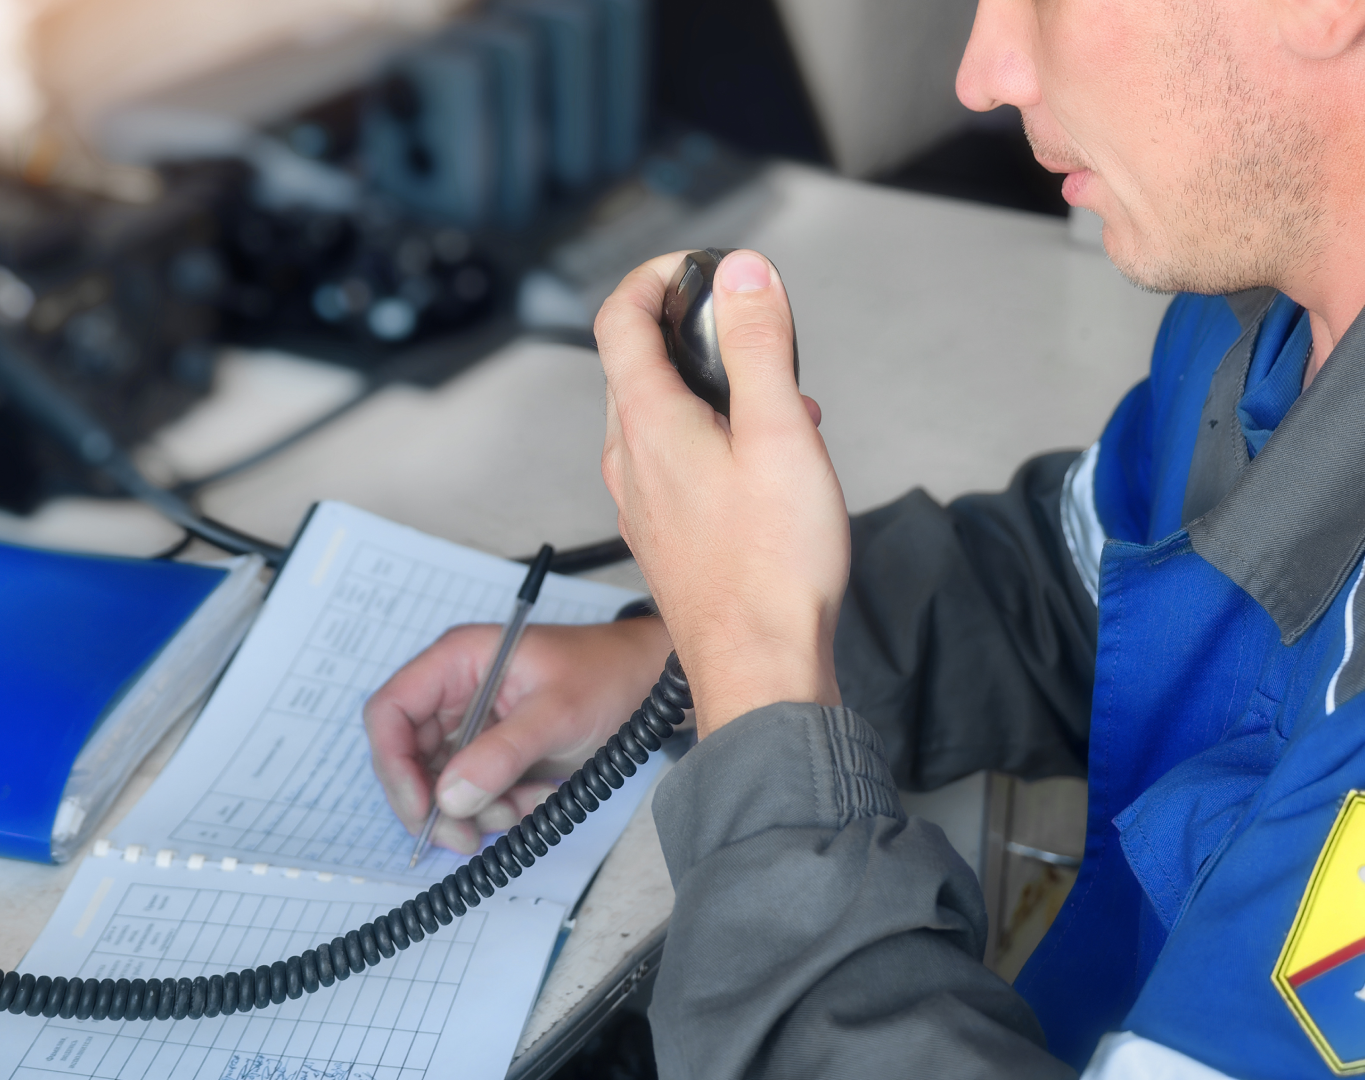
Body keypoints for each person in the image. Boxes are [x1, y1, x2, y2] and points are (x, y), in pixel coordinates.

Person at [363, 0, 1365, 1075]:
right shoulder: (1262, 322)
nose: (983, 75)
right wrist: (679, 659)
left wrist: (758, 683)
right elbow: (1075, 590)